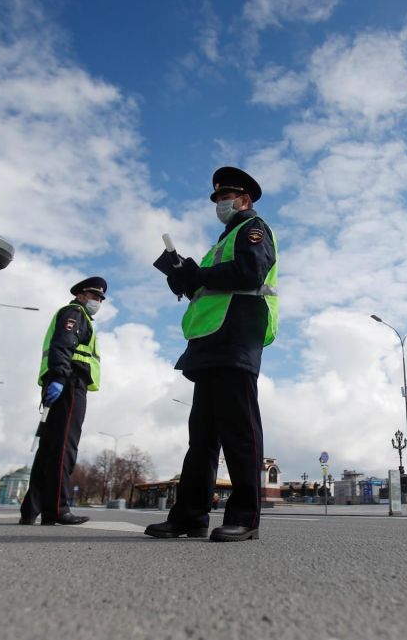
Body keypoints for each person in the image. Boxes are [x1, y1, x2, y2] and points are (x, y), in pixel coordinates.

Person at [146, 166, 277, 543]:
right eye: (218, 198)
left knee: (240, 431)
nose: (220, 203)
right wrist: (182, 274)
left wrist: (200, 276)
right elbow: (203, 290)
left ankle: (245, 517)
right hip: (209, 342)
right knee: (201, 438)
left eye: (225, 197)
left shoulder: (254, 229)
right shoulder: (220, 243)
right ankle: (189, 516)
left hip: (237, 336)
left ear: (244, 200)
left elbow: (250, 273)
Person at [20, 277, 106, 526]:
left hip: (62, 382)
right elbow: (63, 345)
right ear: (80, 295)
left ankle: (32, 509)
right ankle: (58, 508)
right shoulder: (75, 313)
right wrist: (58, 376)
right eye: (93, 295)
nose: (97, 301)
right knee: (63, 449)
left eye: (100, 298)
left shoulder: (80, 315)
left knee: (48, 449)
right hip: (69, 383)